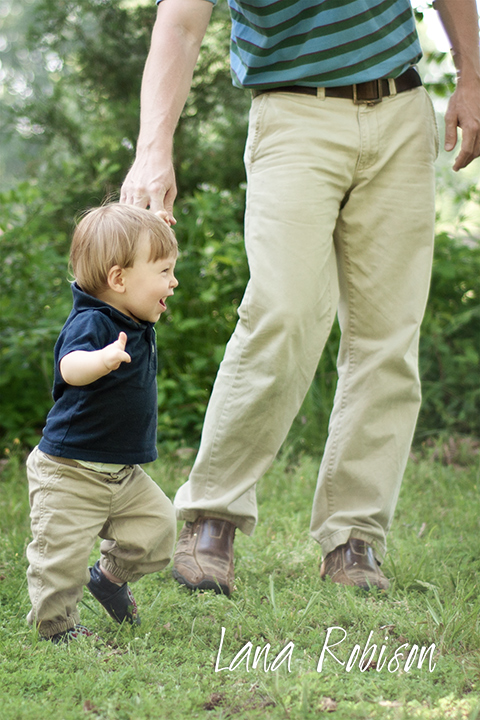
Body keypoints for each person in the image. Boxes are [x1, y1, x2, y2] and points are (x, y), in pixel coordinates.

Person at [121, 0, 480, 596]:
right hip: (293, 114)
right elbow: (180, 24)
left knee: (388, 336)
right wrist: (152, 147)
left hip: (400, 106)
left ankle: (354, 536)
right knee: (282, 314)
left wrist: (472, 76)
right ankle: (213, 515)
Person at [26, 204, 179, 642]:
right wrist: (103, 359)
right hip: (70, 473)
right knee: (60, 560)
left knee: (159, 527)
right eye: (164, 271)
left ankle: (109, 579)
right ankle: (56, 628)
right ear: (119, 279)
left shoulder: (135, 319)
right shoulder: (92, 321)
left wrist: (150, 227)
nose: (173, 282)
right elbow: (70, 367)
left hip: (122, 475)